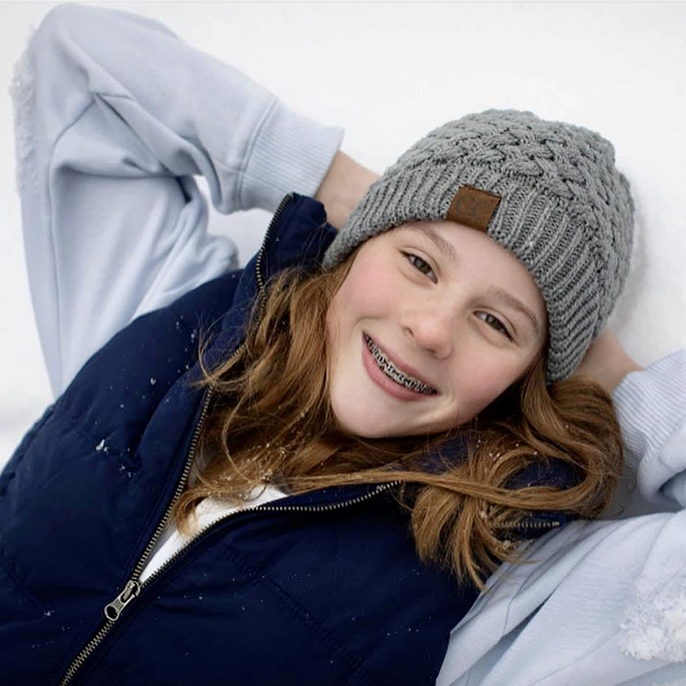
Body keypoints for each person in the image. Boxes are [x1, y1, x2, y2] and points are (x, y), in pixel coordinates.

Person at [3, 4, 685, 686]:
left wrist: (619, 381)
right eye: (418, 263)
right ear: (353, 246)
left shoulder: (497, 580)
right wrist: (361, 196)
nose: (430, 329)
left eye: (496, 324)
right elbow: (77, 62)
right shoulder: (180, 331)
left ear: (523, 383)